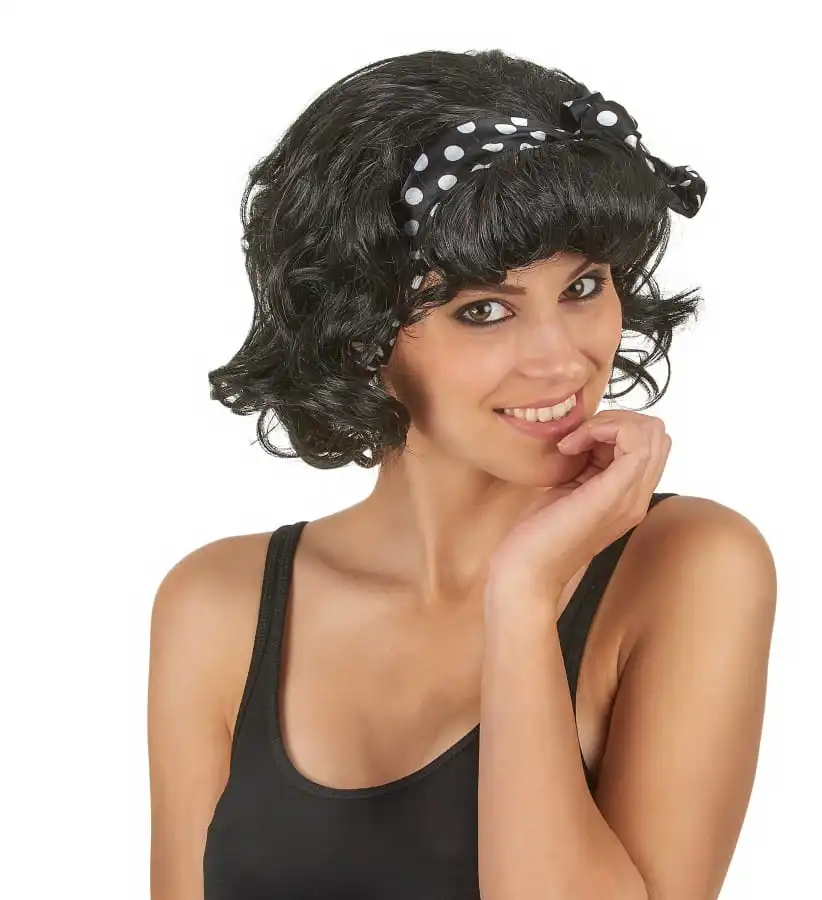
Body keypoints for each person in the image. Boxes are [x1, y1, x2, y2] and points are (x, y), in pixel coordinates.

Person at [147, 48, 777, 900]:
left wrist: (522, 602)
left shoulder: (690, 564)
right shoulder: (217, 603)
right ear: (359, 336)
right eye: (484, 310)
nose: (562, 360)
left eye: (584, 287)